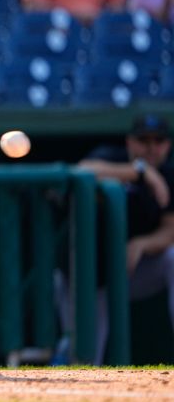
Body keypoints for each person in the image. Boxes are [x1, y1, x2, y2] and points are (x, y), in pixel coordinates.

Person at [64, 114, 174, 364]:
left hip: (134, 269)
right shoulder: (112, 157)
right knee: (84, 358)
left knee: (173, 256)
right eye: (143, 140)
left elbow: (171, 229)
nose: (150, 147)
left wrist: (142, 243)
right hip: (88, 277)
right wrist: (139, 172)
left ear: (167, 145)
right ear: (129, 142)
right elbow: (81, 170)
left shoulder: (170, 174)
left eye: (158, 141)